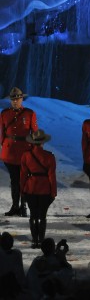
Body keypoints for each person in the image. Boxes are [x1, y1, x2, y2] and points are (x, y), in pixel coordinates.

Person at [0, 87, 38, 217]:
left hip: (24, 151)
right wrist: (2, 146)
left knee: (24, 180)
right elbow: (2, 132)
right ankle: (15, 206)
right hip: (9, 152)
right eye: (13, 99)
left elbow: (34, 133)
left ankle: (24, 206)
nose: (15, 101)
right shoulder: (4, 114)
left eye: (17, 99)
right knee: (14, 180)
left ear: (22, 99)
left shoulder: (29, 113)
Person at [20, 129, 56, 249]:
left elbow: (23, 174)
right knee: (43, 216)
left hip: (31, 188)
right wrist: (53, 192)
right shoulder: (50, 156)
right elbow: (52, 176)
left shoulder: (26, 155)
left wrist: (22, 190)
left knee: (33, 215)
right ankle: (41, 241)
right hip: (45, 188)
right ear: (43, 142)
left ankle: (34, 240)